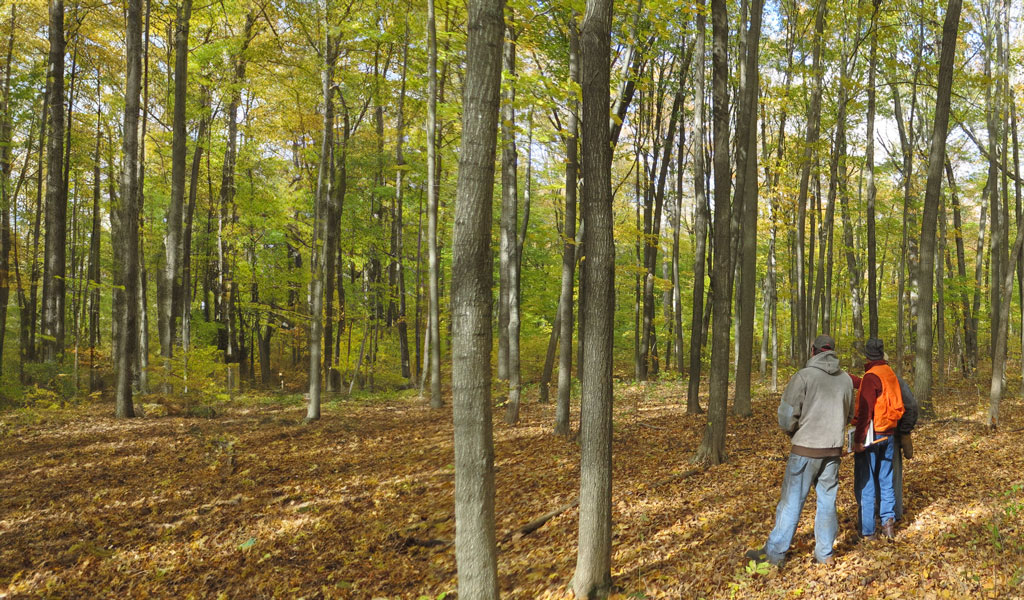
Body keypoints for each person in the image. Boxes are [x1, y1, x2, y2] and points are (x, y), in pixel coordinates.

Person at [745, 334, 855, 567]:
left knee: (791, 502)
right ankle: (825, 554)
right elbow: (849, 415)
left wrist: (793, 432)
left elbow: (786, 416)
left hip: (806, 449)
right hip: (833, 451)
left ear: (813, 351)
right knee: (827, 502)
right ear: (832, 352)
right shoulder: (845, 379)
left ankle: (774, 556)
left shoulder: (803, 377)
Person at [851, 338, 904, 540]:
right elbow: (875, 389)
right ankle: (888, 526)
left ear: (866, 355)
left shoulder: (872, 376)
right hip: (889, 433)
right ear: (882, 354)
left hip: (872, 436)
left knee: (866, 482)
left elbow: (865, 411)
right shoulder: (888, 372)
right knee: (886, 479)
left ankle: (868, 531)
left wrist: (858, 440)